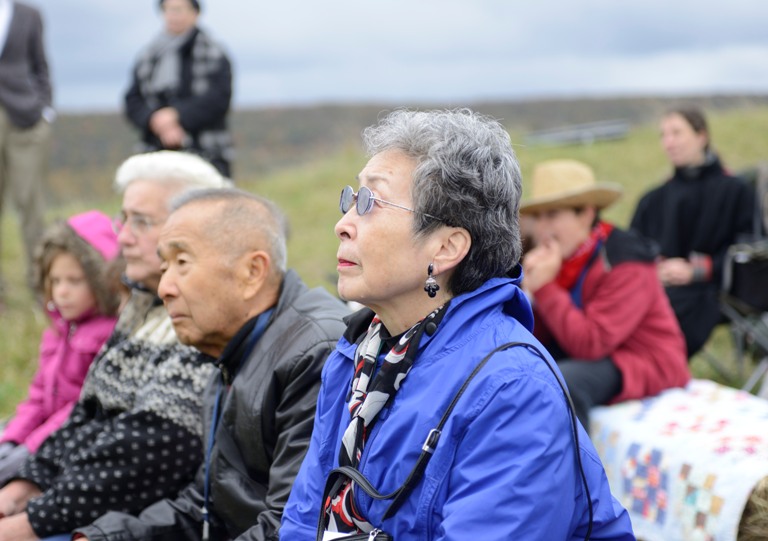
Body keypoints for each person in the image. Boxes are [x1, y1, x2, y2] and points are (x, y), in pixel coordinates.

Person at [280, 109, 634, 540]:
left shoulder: (512, 390)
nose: (343, 224)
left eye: (371, 202)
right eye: (352, 199)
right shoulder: (359, 353)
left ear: (446, 247)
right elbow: (305, 515)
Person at [73, 189, 349, 541]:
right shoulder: (230, 349)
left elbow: (290, 525)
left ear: (252, 271)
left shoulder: (314, 353)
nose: (165, 288)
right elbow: (205, 506)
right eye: (163, 267)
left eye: (182, 263)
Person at [0, 151, 228, 541]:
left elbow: (144, 454)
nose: (122, 236)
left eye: (141, 221)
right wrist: (24, 485)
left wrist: (30, 522)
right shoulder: (141, 302)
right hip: (82, 507)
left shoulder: (201, 319)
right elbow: (87, 413)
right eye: (123, 219)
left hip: (128, 523)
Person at [520, 159, 690, 430]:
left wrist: (545, 288)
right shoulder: (567, 256)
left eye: (552, 215)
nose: (542, 230)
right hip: (604, 357)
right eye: (538, 217)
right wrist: (529, 294)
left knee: (563, 382)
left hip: (646, 360)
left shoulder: (626, 261)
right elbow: (540, 338)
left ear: (586, 214)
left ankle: (577, 471)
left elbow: (592, 343)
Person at [0, 211, 120, 486]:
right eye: (55, 281)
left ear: (101, 279)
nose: (61, 292)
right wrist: (12, 438)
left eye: (74, 281)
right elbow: (39, 394)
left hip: (65, 448)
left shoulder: (107, 335)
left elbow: (79, 407)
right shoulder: (59, 330)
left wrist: (28, 449)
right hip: (36, 437)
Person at [630, 107, 755, 357]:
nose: (668, 142)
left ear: (702, 136)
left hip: (717, 290)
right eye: (663, 135)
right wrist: (656, 269)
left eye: (677, 133)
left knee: (665, 310)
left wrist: (695, 271)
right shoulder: (653, 199)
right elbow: (633, 247)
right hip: (658, 287)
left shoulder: (735, 190)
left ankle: (656, 369)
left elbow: (748, 250)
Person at [124, 0, 233, 177]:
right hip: (154, 152)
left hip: (206, 151)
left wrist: (177, 116)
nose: (173, 16)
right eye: (168, 10)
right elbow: (132, 100)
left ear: (195, 13)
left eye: (179, 10)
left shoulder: (214, 53)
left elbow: (219, 98)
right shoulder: (148, 56)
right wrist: (155, 120)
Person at [0, 0, 53, 295]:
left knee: (30, 204)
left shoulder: (29, 15)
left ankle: (42, 288)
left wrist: (46, 109)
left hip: (25, 116)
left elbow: (40, 63)